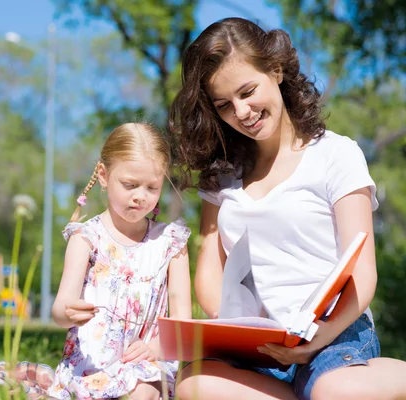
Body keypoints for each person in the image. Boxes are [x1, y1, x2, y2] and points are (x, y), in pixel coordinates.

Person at [168, 17, 406, 400]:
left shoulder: (335, 154)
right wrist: (236, 327)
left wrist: (314, 342)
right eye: (224, 105)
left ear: (276, 70)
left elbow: (362, 275)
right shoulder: (223, 176)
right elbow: (210, 272)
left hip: (333, 336)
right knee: (195, 384)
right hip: (256, 344)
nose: (242, 112)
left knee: (334, 390)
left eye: (248, 92)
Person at [47, 122, 192, 399]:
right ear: (103, 175)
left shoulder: (171, 243)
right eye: (129, 185)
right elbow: (59, 310)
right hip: (89, 368)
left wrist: (158, 347)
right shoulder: (86, 238)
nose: (140, 196)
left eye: (152, 187)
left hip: (146, 364)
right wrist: (68, 313)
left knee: (143, 392)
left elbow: (183, 321)